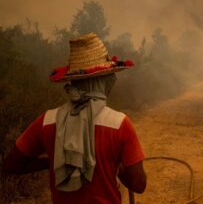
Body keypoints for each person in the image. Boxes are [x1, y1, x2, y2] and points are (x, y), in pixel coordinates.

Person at [2, 32, 146, 204]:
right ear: (103, 81)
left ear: (74, 82)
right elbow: (138, 185)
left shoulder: (47, 120)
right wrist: (120, 169)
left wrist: (56, 161)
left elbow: (11, 165)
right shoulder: (120, 124)